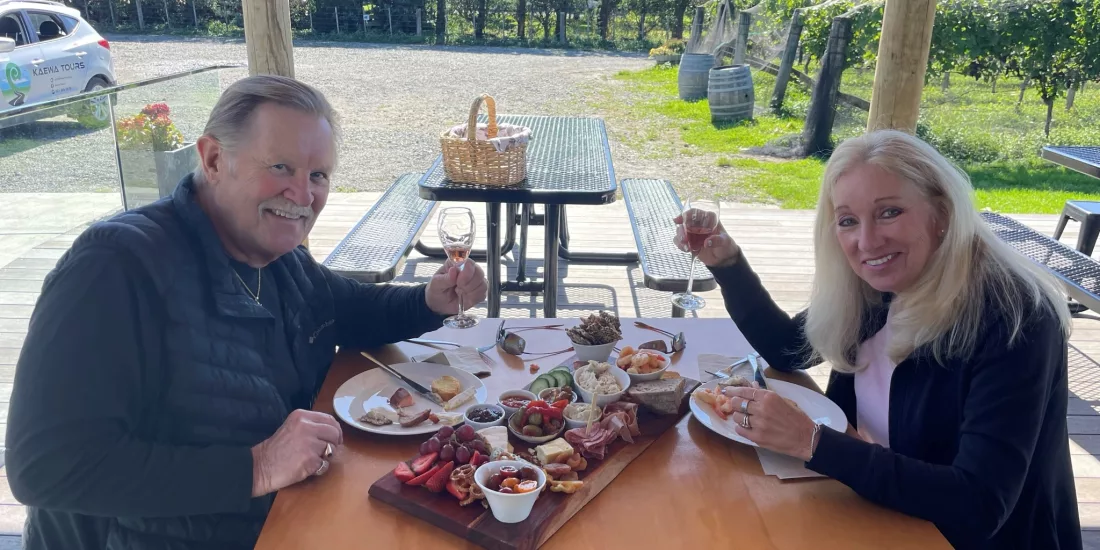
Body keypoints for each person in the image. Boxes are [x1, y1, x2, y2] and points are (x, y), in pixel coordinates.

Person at [5, 75, 488, 549]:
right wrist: (256, 466)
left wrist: (429, 300)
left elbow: (350, 310)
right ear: (214, 159)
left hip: (292, 515)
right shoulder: (115, 267)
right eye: (280, 167)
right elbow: (45, 469)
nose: (303, 196)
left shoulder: (279, 258)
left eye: (317, 175)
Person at [678, 129, 1081, 549]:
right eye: (848, 220)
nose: (867, 242)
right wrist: (726, 263)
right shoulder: (877, 287)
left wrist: (812, 441)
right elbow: (787, 347)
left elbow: (977, 504)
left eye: (889, 212)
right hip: (872, 507)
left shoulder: (1016, 316)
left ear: (941, 213)